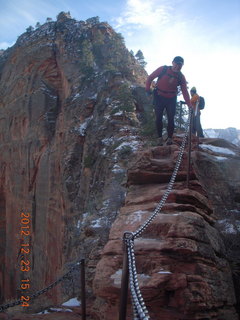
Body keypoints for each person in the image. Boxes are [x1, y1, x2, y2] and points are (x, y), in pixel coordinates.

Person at [145, 56, 192, 145]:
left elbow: (185, 91)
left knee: (171, 118)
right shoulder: (163, 69)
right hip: (159, 96)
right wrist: (147, 90)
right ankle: (159, 138)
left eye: (180, 65)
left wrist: (189, 104)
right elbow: (150, 77)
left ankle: (169, 138)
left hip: (171, 98)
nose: (178, 67)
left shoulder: (181, 77)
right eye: (176, 64)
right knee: (158, 118)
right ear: (172, 63)